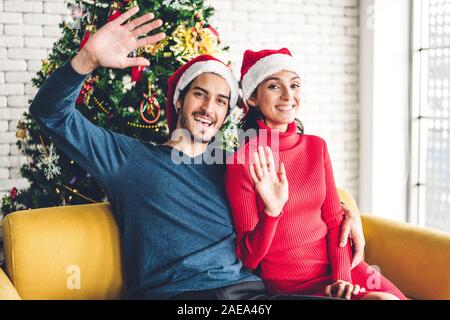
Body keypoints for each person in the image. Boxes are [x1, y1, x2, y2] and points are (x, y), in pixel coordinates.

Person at [28, 6, 364, 300]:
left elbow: (298, 202)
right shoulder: (127, 159)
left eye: (220, 101)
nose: (208, 108)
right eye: (200, 95)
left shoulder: (234, 166)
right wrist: (86, 59)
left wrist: (347, 211)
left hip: (252, 296)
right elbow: (51, 114)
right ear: (179, 100)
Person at [224, 48, 407, 300]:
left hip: (342, 272)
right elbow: (249, 257)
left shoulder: (316, 147)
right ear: (252, 98)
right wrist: (272, 212)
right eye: (274, 87)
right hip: (292, 286)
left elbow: (334, 221)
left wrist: (342, 278)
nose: (288, 96)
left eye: (295, 85)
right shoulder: (243, 161)